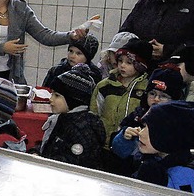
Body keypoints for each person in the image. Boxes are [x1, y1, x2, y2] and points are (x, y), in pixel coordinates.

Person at [90, 39, 152, 173]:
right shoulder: (104, 85)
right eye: (120, 61)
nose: (122, 65)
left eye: (129, 62)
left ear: (141, 65)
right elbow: (94, 113)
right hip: (103, 146)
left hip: (131, 149)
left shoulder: (147, 89)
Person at [111, 66, 184, 176]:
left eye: (163, 96)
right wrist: (124, 137)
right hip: (128, 175)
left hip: (161, 178)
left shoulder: (177, 124)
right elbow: (117, 151)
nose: (156, 99)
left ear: (175, 100)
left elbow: (180, 158)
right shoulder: (136, 116)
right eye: (152, 94)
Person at [39, 64, 106, 169]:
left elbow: (75, 163)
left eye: (57, 95)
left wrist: (44, 160)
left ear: (73, 100)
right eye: (51, 94)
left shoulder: (81, 128)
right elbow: (52, 146)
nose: (51, 99)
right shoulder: (63, 118)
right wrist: (36, 152)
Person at [132, 101, 194, 192]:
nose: (141, 133)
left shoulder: (184, 174)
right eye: (144, 127)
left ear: (169, 138)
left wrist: (158, 185)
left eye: (150, 131)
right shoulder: (151, 157)